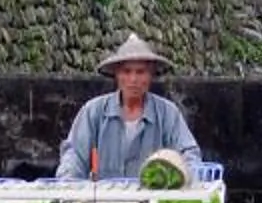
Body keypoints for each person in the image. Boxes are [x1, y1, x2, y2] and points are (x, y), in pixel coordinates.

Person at [55, 32, 204, 181]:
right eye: (126, 72)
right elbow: (74, 156)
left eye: (141, 72)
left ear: (151, 75)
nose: (133, 79)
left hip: (153, 200)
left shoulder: (168, 114)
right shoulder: (93, 111)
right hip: (105, 199)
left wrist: (188, 179)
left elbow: (189, 154)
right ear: (117, 74)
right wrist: (68, 185)